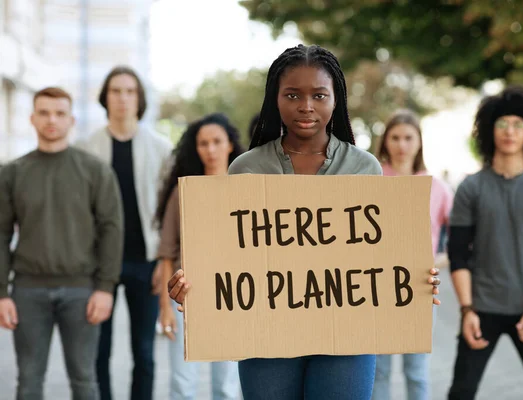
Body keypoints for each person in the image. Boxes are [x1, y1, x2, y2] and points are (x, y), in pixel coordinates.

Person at [166, 44, 441, 400]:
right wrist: (197, 286)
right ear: (275, 99)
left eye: (319, 95)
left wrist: (414, 277)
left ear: (336, 99)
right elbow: (231, 256)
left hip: (348, 337)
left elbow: (379, 254)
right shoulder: (246, 168)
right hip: (266, 337)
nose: (306, 106)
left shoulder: (365, 167)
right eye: (293, 94)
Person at [447, 85, 523, 400]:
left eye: (518, 124)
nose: (510, 132)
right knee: (461, 392)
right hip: (482, 309)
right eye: (502, 124)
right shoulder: (471, 188)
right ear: (490, 130)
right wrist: (466, 310)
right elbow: (458, 254)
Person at [0, 87, 123, 399]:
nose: (51, 119)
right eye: (44, 112)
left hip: (82, 290)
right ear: (32, 118)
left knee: (84, 380)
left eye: (59, 113)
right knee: (28, 380)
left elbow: (111, 229)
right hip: (27, 290)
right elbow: (0, 234)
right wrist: (2, 293)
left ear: (72, 119)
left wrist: (105, 288)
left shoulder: (95, 171)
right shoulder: (12, 173)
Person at [77, 66, 173, 400]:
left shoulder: (161, 149)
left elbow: (170, 213)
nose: (123, 98)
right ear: (106, 98)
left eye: (130, 91)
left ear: (139, 99)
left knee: (144, 354)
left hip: (145, 262)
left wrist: (165, 261)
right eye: (116, 91)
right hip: (99, 264)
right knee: (98, 353)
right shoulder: (86, 148)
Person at [155, 113, 244, 400]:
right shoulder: (182, 191)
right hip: (186, 295)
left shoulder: (246, 189)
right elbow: (167, 253)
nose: (210, 149)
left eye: (217, 141)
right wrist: (165, 308)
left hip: (234, 296)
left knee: (228, 386)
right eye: (203, 143)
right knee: (182, 383)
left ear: (230, 144)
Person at [372, 109, 453, 400]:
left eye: (408, 137)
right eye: (395, 137)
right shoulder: (371, 179)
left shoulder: (436, 186)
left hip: (419, 289)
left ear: (419, 141)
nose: (401, 144)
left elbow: (460, 244)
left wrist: (433, 264)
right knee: (377, 371)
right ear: (385, 141)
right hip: (375, 288)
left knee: (416, 371)